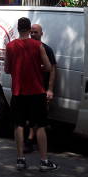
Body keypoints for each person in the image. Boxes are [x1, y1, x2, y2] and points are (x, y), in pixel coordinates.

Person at [4, 17, 57, 172]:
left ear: (18, 29)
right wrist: (37, 67)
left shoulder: (10, 46)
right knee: (40, 126)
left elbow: (7, 69)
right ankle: (44, 161)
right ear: (29, 29)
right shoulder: (38, 45)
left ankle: (20, 159)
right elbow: (48, 67)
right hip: (36, 91)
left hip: (18, 91)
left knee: (19, 125)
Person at [25, 23, 57, 156]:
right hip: (27, 89)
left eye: (35, 32)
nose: (33, 34)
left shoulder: (46, 49)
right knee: (30, 116)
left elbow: (53, 70)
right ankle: (31, 141)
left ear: (41, 34)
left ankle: (30, 141)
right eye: (31, 32)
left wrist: (50, 89)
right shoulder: (25, 48)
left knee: (37, 116)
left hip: (41, 89)